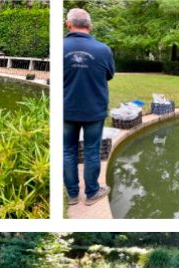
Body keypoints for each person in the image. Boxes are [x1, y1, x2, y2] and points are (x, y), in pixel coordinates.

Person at [63, 7, 114, 206]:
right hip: (94, 110)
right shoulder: (103, 50)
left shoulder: (60, 47)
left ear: (69, 24)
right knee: (93, 150)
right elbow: (109, 75)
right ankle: (92, 193)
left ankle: (73, 194)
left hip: (66, 110)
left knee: (67, 150)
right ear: (90, 26)